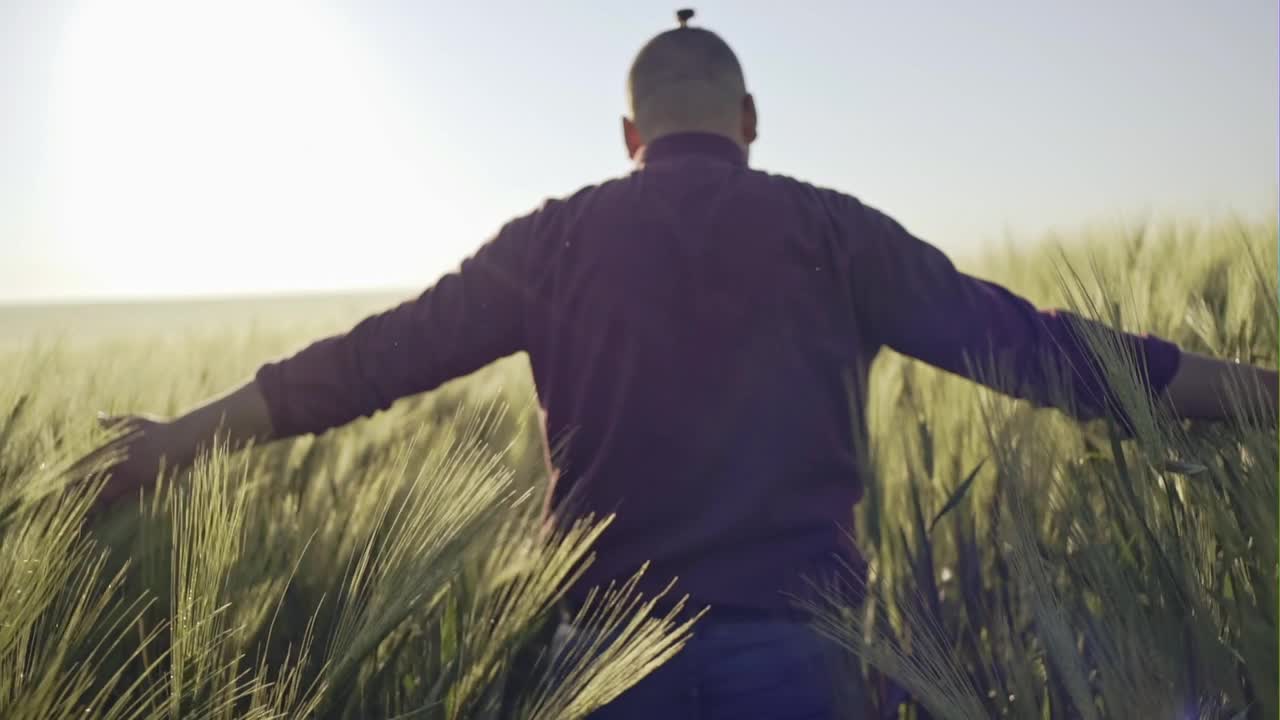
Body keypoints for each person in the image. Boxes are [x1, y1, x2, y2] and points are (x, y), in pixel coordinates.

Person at [77, 10, 1277, 719]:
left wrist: (178, 443)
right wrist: (1258, 396)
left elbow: (366, 363)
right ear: (749, 119)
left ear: (627, 133)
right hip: (801, 655)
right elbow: (1049, 356)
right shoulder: (833, 231)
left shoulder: (549, 241)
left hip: (602, 660)